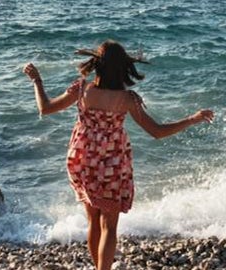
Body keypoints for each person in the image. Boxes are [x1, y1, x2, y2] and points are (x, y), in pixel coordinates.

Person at [23, 40, 214, 270]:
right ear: (123, 68)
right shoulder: (128, 99)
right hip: (112, 164)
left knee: (93, 220)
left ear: (98, 65)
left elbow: (45, 108)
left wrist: (37, 80)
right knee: (109, 227)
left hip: (82, 160)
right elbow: (157, 131)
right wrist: (192, 119)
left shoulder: (82, 89)